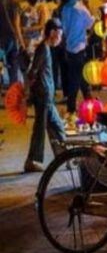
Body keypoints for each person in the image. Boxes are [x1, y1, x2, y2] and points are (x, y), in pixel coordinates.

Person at [24, 19, 67, 172]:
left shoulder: (46, 49)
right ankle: (32, 161)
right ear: (53, 32)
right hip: (42, 95)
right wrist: (28, 91)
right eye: (59, 35)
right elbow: (33, 71)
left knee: (55, 125)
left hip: (46, 95)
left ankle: (63, 157)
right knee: (41, 128)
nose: (60, 38)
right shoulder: (43, 49)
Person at [59, 0, 95, 115]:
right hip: (79, 47)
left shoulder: (65, 9)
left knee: (78, 77)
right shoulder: (81, 9)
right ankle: (74, 107)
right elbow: (90, 24)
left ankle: (87, 104)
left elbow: (64, 28)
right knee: (78, 78)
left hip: (69, 47)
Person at [0, 0, 26, 86]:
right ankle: (13, 96)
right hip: (13, 37)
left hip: (2, 38)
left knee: (1, 67)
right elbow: (16, 23)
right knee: (13, 70)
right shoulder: (16, 0)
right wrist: (21, 41)